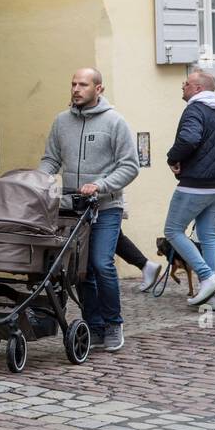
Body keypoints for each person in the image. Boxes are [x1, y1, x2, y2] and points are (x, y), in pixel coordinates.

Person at [38, 68, 140, 352]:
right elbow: (51, 159)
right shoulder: (61, 122)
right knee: (79, 270)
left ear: (99, 89)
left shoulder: (115, 122)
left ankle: (113, 323)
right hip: (73, 208)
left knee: (101, 263)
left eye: (83, 84)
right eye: (73, 83)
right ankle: (93, 327)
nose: (76, 89)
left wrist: (101, 185)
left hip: (107, 206)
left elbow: (130, 166)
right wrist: (37, 180)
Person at [163, 68, 215, 306]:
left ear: (198, 89)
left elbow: (189, 140)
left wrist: (172, 159)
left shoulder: (195, 109)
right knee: (208, 237)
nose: (183, 86)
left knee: (173, 231)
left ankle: (206, 277)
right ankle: (212, 299)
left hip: (197, 185)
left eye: (187, 83)